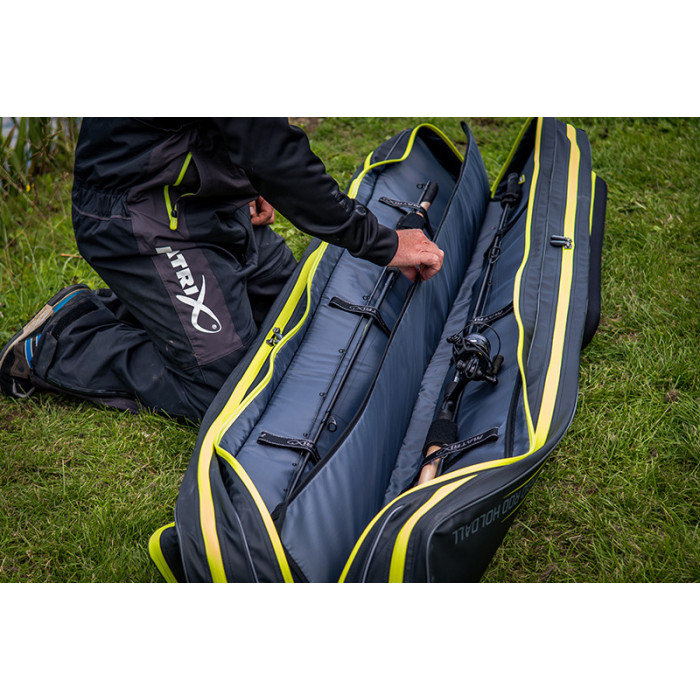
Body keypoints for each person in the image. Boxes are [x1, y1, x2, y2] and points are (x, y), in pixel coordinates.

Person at [0, 118, 444, 422]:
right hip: (144, 212)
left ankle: (152, 306)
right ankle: (62, 340)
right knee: (230, 388)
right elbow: (275, 156)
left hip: (208, 199)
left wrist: (247, 177)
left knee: (292, 315)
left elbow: (253, 133)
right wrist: (384, 243)